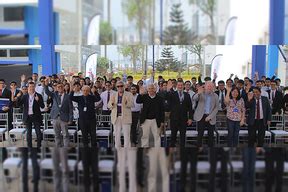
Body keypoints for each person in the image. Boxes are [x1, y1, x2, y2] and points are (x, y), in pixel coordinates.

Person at [44, 80, 73, 147]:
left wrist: (70, 119)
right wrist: (46, 85)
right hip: (55, 117)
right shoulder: (54, 95)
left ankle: (65, 148)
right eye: (58, 87)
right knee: (57, 135)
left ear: (64, 88)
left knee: (65, 135)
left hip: (64, 118)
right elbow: (47, 92)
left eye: (61, 87)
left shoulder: (68, 96)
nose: (60, 88)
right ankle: (58, 147)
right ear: (56, 88)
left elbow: (71, 108)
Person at [17, 82, 44, 147]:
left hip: (36, 117)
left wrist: (38, 100)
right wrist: (18, 97)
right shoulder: (25, 96)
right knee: (28, 133)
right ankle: (29, 147)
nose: (31, 88)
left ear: (34, 87)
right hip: (28, 117)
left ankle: (39, 146)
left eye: (32, 86)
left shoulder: (39, 95)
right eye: (30, 87)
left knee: (38, 133)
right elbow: (19, 104)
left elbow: (42, 106)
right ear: (28, 87)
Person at [108, 81, 134, 148]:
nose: (120, 87)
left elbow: (132, 105)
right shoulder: (113, 94)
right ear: (116, 87)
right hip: (116, 117)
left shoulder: (129, 94)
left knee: (127, 135)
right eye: (118, 86)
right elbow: (108, 105)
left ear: (124, 86)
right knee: (116, 135)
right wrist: (112, 103)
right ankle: (117, 150)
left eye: (121, 86)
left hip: (126, 117)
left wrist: (126, 103)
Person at [167, 81, 193, 147]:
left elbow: (190, 108)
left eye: (181, 85)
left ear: (183, 86)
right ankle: (172, 150)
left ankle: (182, 151)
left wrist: (190, 118)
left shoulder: (187, 95)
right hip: (174, 118)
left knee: (183, 136)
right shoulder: (172, 94)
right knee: (173, 136)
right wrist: (168, 90)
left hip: (183, 119)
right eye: (179, 85)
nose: (180, 86)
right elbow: (167, 100)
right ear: (176, 86)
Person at [194, 82, 219, 147]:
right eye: (208, 86)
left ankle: (211, 149)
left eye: (211, 86)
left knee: (211, 134)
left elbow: (216, 108)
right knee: (200, 134)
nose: (209, 88)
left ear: (213, 87)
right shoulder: (201, 93)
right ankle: (198, 148)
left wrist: (210, 117)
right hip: (201, 116)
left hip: (211, 116)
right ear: (205, 87)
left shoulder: (215, 96)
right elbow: (194, 99)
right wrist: (198, 93)